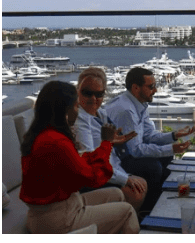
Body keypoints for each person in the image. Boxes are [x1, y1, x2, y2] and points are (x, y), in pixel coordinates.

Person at [20, 81, 139, 234]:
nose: (78, 112)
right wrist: (106, 144)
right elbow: (92, 177)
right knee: (127, 211)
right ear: (65, 110)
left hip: (56, 208)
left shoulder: (43, 135)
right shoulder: (56, 142)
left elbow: (79, 163)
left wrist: (107, 144)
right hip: (58, 218)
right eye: (76, 106)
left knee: (116, 194)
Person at [103, 67, 195, 216]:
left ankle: (162, 198)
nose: (155, 90)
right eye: (151, 86)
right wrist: (171, 148)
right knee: (153, 167)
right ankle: (148, 211)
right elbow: (136, 150)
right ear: (135, 88)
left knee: (165, 156)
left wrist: (173, 135)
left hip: (129, 152)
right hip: (118, 158)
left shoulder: (140, 104)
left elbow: (148, 135)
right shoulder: (126, 111)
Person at [75, 67, 146, 211]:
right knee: (137, 190)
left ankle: (131, 219)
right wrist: (124, 179)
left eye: (99, 94)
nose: (93, 99)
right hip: (94, 176)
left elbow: (103, 143)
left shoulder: (100, 113)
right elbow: (91, 162)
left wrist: (112, 140)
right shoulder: (79, 121)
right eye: (87, 93)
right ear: (78, 91)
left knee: (146, 177)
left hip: (112, 165)